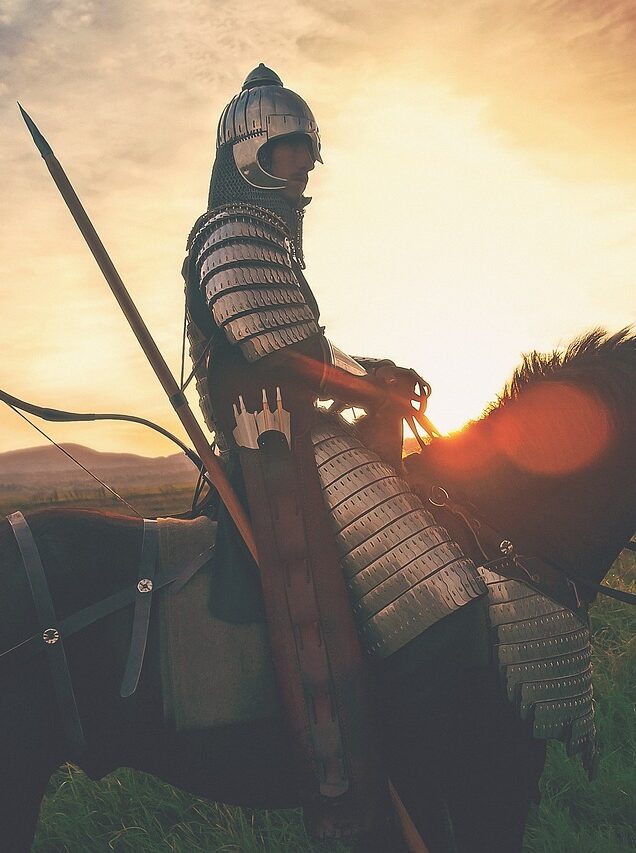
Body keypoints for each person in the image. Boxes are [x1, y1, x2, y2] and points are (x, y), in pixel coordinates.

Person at [182, 63, 489, 849]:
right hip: (269, 435)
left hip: (297, 424)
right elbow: (275, 341)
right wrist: (366, 378)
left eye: (308, 149)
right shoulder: (230, 233)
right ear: (251, 153)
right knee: (415, 579)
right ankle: (356, 754)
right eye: (289, 148)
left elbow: (311, 346)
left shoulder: (273, 238)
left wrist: (373, 374)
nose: (305, 163)